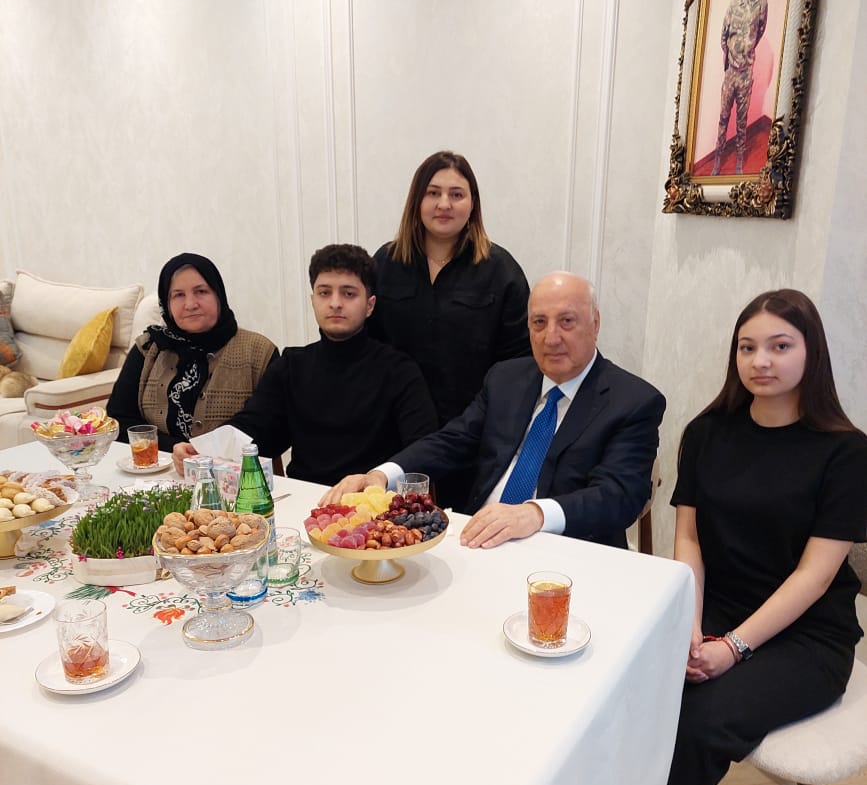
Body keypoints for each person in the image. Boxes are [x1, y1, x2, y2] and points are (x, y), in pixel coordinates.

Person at [562, 289, 867, 785]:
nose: (761, 360)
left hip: (806, 634)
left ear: (811, 353)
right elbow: (690, 541)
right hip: (713, 606)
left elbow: (815, 576)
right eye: (747, 347)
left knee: (703, 718)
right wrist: (689, 623)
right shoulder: (707, 431)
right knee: (612, 682)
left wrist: (733, 647)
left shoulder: (845, 452)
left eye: (780, 346)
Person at [323, 272, 665, 550]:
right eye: (539, 322)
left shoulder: (633, 401)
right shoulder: (506, 378)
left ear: (595, 323)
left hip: (568, 555)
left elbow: (618, 496)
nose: (551, 338)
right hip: (479, 541)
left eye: (567, 321)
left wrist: (535, 514)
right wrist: (382, 476)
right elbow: (453, 440)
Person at [171, 245, 438, 485]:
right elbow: (254, 428)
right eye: (324, 293)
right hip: (304, 501)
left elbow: (422, 449)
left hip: (374, 505)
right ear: (313, 300)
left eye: (348, 294)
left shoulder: (399, 370)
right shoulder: (291, 365)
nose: (335, 303)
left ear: (369, 305)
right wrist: (201, 450)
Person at [368, 150, 531, 506]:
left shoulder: (501, 271)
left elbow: (518, 365)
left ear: (473, 205)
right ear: (417, 201)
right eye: (433, 193)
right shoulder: (385, 263)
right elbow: (368, 348)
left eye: (456, 194)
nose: (444, 204)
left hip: (472, 437)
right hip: (393, 435)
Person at [107, 253, 277, 452]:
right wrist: (173, 448)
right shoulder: (148, 347)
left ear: (219, 295)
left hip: (233, 467)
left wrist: (207, 456)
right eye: (178, 295)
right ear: (167, 304)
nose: (190, 304)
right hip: (159, 466)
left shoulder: (259, 352)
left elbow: (270, 429)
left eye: (201, 291)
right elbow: (119, 421)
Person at [710, 0, 768, 176]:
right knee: (723, 118)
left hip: (746, 75)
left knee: (742, 123)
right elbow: (723, 37)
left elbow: (761, 29)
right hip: (731, 73)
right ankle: (717, 159)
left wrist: (747, 51)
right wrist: (730, 61)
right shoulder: (734, 3)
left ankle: (739, 162)